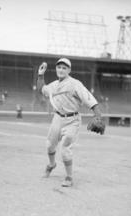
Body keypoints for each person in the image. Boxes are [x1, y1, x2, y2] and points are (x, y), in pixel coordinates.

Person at [37, 58, 105, 187]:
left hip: (72, 120)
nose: (61, 70)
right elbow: (41, 89)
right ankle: (52, 164)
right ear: (56, 69)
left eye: (64, 68)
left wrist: (98, 115)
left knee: (65, 148)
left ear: (69, 70)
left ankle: (69, 177)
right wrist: (40, 75)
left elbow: (89, 99)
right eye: (59, 67)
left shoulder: (75, 84)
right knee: (49, 145)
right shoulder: (53, 85)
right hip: (57, 118)